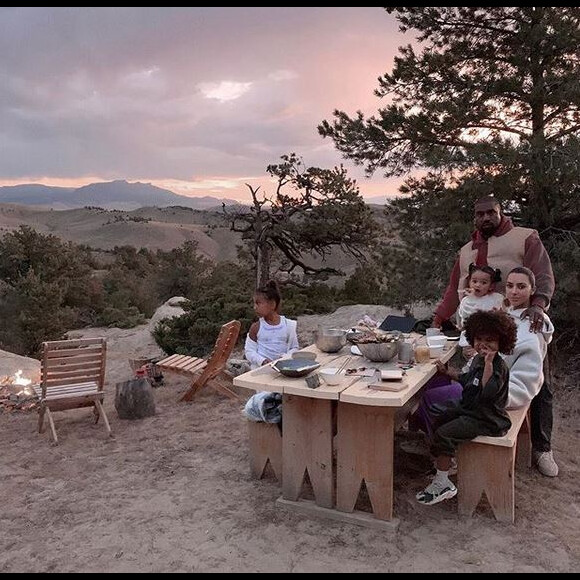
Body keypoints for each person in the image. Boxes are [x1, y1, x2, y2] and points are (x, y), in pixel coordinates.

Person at [432, 195, 558, 477]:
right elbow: (455, 288)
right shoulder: (466, 251)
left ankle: (542, 447)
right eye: (480, 214)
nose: (486, 218)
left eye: (492, 212)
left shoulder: (525, 238)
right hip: (486, 330)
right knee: (479, 375)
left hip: (525, 323)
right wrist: (439, 317)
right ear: (474, 217)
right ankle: (451, 444)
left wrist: (538, 306)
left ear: (501, 213)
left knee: (538, 385)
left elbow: (543, 276)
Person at [416, 310, 517, 505]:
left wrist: (488, 364)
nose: (483, 344)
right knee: (440, 417)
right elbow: (468, 380)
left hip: (488, 419)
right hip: (471, 409)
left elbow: (488, 392)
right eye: (479, 339)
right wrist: (447, 373)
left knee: (445, 432)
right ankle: (443, 466)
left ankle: (443, 484)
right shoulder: (478, 359)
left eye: (490, 340)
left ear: (501, 342)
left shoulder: (497, 366)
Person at [457, 263, 504, 369]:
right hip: (471, 341)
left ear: (491, 285)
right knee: (474, 365)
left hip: (491, 341)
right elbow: (465, 317)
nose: (478, 285)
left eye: (483, 283)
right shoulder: (466, 301)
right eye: (474, 281)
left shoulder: (497, 299)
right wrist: (471, 299)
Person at [244, 280, 299, 369]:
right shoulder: (256, 327)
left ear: (272, 304)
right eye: (254, 303)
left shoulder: (288, 325)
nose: (255, 307)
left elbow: (294, 348)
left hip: (283, 369)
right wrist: (262, 361)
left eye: (258, 303)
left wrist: (285, 358)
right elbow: (249, 351)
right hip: (260, 371)